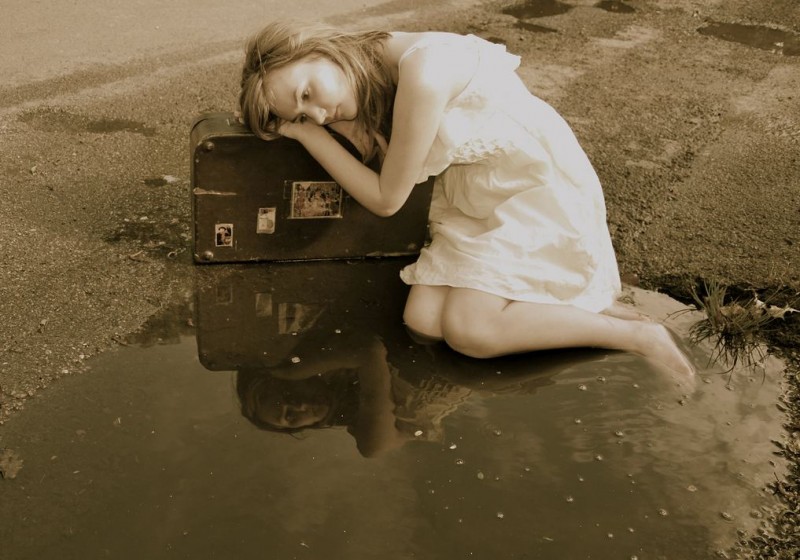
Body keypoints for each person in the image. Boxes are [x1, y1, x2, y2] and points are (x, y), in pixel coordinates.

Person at [237, 21, 694, 377]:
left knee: (470, 331)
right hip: (475, 194)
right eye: (303, 114)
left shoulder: (423, 73)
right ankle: (576, 309)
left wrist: (307, 135)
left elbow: (386, 199)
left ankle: (639, 336)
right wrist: (314, 121)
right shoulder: (363, 65)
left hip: (532, 190)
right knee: (424, 321)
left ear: (317, 50)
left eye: (307, 95)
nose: (319, 114)